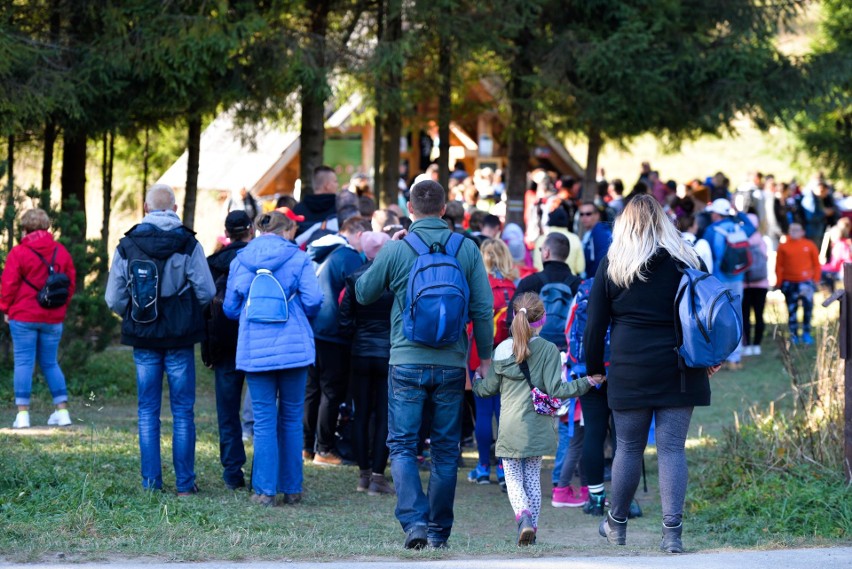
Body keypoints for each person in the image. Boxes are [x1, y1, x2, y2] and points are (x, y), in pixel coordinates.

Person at [355, 180, 493, 550]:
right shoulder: (466, 248)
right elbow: (482, 308)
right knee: (446, 449)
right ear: (445, 209)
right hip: (451, 362)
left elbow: (363, 293)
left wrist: (388, 250)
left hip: (406, 359)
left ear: (410, 210)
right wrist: (485, 360)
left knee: (401, 444)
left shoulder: (397, 249)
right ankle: (439, 530)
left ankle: (414, 521)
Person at [584, 194, 717, 553]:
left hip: (630, 369)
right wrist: (712, 356)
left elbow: (595, 326)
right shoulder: (688, 258)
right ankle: (672, 534)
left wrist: (594, 369)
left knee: (628, 448)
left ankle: (617, 525)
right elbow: (708, 312)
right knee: (673, 449)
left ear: (625, 223)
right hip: (681, 366)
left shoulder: (615, 262)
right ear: (663, 221)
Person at [105, 184, 216, 495]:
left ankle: (151, 484)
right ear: (176, 209)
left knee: (147, 410)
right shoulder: (188, 243)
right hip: (180, 336)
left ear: (144, 207)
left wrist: (134, 312)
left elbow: (113, 297)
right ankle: (184, 485)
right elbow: (206, 291)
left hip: (143, 333)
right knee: (183, 410)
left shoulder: (127, 245)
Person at [472, 292, 597, 546]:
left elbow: (489, 389)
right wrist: (587, 382)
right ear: (543, 319)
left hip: (510, 428)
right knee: (532, 478)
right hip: (538, 426)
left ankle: (523, 516)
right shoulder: (550, 350)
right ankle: (533, 530)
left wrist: (476, 383)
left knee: (514, 478)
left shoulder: (502, 350)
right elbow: (557, 390)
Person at [224, 211, 323, 506]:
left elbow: (230, 307)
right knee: (292, 419)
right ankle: (292, 489)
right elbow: (314, 300)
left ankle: (264, 491)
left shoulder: (240, 259)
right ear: (287, 231)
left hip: (255, 349)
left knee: (264, 421)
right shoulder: (299, 258)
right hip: (294, 348)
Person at [303, 216, 372, 465]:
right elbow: (359, 293)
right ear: (358, 234)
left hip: (312, 327)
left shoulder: (319, 249)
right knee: (331, 391)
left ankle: (306, 446)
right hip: (334, 331)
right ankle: (324, 449)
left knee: (312, 389)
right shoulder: (349, 256)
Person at [1, 208, 76, 429]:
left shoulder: (18, 253)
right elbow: (69, 284)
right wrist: (61, 307)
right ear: (47, 228)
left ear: (25, 229)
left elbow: (8, 285)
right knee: (50, 363)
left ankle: (22, 416)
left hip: (23, 316)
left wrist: (6, 308)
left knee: (24, 362)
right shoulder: (61, 252)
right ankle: (62, 413)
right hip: (53, 318)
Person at [339, 231, 395, 496]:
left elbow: (344, 320)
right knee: (384, 414)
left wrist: (355, 338)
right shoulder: (395, 278)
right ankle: (377, 476)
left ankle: (363, 476)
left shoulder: (354, 277)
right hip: (388, 353)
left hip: (360, 352)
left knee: (360, 413)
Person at [203, 210, 253, 490]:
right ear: (250, 231)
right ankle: (264, 472)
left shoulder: (213, 263)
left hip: (222, 342)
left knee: (227, 410)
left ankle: (232, 471)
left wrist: (208, 350)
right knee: (263, 408)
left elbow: (204, 307)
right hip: (255, 339)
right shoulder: (257, 259)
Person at [466, 238, 519, 486]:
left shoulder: (478, 286)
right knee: (505, 414)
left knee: (484, 413)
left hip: (481, 355)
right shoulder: (515, 288)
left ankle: (482, 467)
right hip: (508, 355)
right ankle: (503, 468)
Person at [701, 198, 755, 370]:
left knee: (717, 318)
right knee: (735, 317)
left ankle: (719, 358)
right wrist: (737, 212)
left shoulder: (711, 231)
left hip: (718, 279)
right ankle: (735, 358)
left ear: (716, 214)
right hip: (737, 278)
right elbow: (752, 228)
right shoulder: (739, 227)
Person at [775, 223, 821, 345]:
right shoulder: (783, 246)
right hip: (789, 282)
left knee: (808, 308)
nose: (794, 232)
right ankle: (793, 334)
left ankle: (806, 332)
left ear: (802, 232)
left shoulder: (809, 245)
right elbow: (779, 265)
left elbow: (816, 264)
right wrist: (779, 281)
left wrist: (815, 280)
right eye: (792, 230)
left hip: (806, 282)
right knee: (792, 309)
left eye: (797, 230)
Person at [742, 214, 770, 356]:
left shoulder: (739, 239)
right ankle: (757, 345)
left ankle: (746, 346)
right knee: (759, 314)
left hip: (744, 283)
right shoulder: (762, 241)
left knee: (745, 315)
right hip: (761, 284)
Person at [531, 207, 585, 276]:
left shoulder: (541, 240)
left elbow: (537, 267)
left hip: (544, 283)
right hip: (570, 283)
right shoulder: (575, 239)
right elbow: (580, 268)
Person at [294, 166, 340, 246]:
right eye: (335, 181)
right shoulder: (339, 209)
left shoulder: (297, 210)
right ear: (327, 186)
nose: (337, 185)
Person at [578, 202, 612, 278]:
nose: (584, 217)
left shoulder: (601, 233)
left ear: (597, 215)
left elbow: (603, 260)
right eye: (581, 214)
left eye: (588, 214)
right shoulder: (590, 233)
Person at [822, 218, 852, 292]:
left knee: (822, 272)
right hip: (846, 270)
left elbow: (835, 265)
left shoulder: (839, 245)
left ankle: (830, 291)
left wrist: (821, 266)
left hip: (844, 271)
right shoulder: (846, 242)